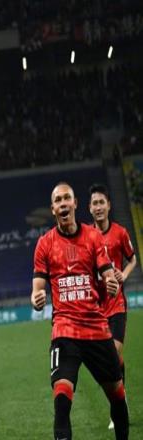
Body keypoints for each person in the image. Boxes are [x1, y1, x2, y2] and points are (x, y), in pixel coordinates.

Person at [31, 182, 129, 440]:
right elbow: (37, 286)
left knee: (118, 395)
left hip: (96, 329)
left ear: (75, 204)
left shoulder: (93, 237)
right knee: (62, 399)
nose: (63, 203)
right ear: (53, 209)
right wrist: (36, 297)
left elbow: (108, 274)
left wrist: (111, 283)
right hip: (64, 331)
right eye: (58, 200)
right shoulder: (44, 244)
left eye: (67, 198)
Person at [88, 183, 137, 429]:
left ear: (109, 205)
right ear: (89, 208)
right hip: (96, 309)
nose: (98, 207)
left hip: (116, 304)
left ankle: (118, 407)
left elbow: (133, 258)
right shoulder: (86, 236)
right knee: (110, 360)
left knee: (114, 353)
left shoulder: (120, 233)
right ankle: (120, 397)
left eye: (101, 202)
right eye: (94, 203)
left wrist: (124, 275)